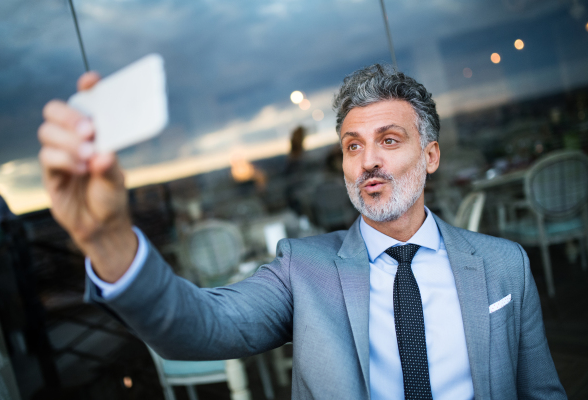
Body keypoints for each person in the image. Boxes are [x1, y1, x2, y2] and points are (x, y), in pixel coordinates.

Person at [37, 64, 566, 399]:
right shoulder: (301, 270)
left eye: (388, 139)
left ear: (429, 156)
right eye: (353, 146)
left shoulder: (503, 263)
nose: (368, 162)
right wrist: (108, 240)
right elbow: (197, 327)